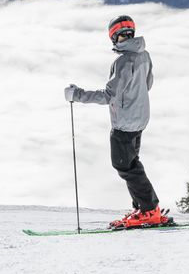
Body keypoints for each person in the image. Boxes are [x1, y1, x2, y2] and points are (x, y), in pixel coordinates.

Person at [64, 15, 169, 229]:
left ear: (114, 37)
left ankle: (149, 210)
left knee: (125, 166)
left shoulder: (123, 61)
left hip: (125, 123)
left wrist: (77, 95)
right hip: (140, 118)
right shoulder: (144, 55)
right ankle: (144, 207)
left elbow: (108, 96)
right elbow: (148, 84)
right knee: (132, 163)